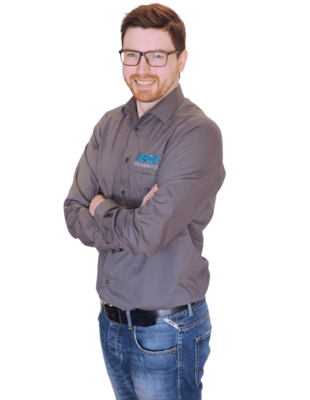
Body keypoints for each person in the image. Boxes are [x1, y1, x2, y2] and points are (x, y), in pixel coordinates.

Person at [63, 3, 226, 399]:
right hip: (110, 322)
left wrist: (101, 208)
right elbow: (72, 212)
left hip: (166, 331)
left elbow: (149, 234)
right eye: (132, 54)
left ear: (181, 60)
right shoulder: (108, 125)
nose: (142, 68)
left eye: (157, 56)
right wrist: (131, 218)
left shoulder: (197, 134)